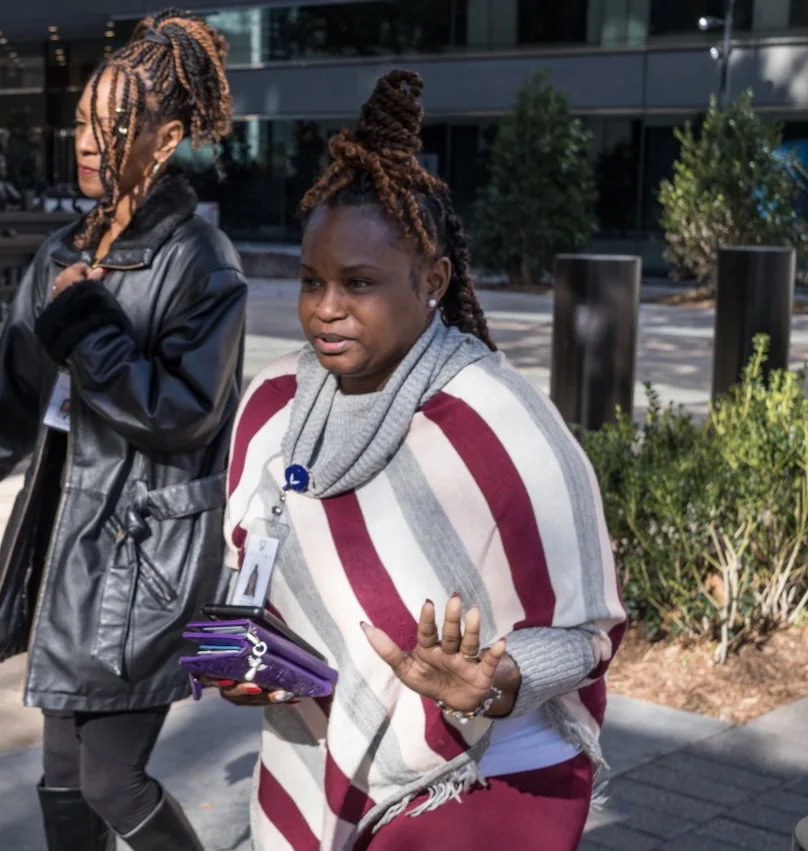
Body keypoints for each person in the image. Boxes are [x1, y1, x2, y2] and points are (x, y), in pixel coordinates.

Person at [211, 70, 625, 851]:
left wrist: (493, 683)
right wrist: (249, 659)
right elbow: (255, 572)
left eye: (358, 283)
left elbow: (587, 631)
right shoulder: (271, 405)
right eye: (311, 281)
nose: (325, 308)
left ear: (433, 280)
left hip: (489, 774)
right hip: (316, 748)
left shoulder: (500, 422)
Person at [0, 10, 243, 850]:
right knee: (62, 777)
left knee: (109, 776)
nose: (86, 142)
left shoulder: (200, 260)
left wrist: (87, 328)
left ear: (163, 140)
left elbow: (181, 413)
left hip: (147, 556)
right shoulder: (64, 247)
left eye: (109, 125)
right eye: (81, 124)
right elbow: (10, 389)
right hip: (70, 540)